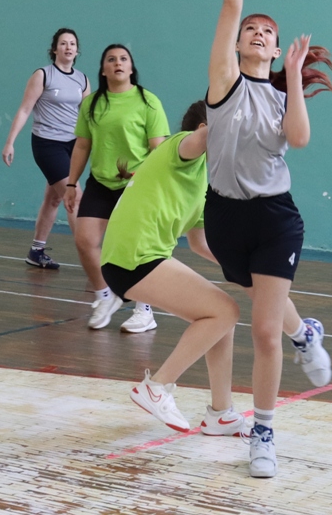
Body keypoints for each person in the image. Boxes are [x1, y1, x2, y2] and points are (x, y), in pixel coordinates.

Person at [204, 0, 332, 478]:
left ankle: (262, 432)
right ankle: (305, 333)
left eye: (267, 32)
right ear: (237, 43)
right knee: (263, 300)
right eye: (250, 29)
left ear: (277, 49)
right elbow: (231, 1)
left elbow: (299, 140)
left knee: (262, 329)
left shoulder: (284, 95)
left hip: (275, 216)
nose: (257, 33)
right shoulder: (224, 82)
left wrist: (294, 78)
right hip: (224, 216)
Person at [100, 101, 243, 434]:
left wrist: (244, 270)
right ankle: (157, 387)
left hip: (142, 257)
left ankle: (220, 413)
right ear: (204, 128)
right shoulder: (179, 147)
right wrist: (235, 103)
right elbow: (204, 136)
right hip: (133, 255)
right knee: (224, 311)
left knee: (223, 316)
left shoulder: (202, 178)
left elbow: (200, 243)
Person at [64, 44, 170, 333]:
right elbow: (82, 145)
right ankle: (105, 296)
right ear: (103, 70)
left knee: (136, 249)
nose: (118, 63)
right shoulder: (92, 104)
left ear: (131, 68)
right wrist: (71, 183)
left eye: (124, 59)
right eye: (111, 60)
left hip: (136, 185)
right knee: (85, 240)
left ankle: (144, 309)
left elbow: (159, 149)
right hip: (100, 182)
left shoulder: (148, 102)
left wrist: (150, 181)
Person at [2, 28, 89, 269]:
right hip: (47, 144)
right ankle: (91, 257)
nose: (68, 47)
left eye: (72, 44)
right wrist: (10, 142)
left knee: (54, 199)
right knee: (74, 197)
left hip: (73, 146)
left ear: (77, 51)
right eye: (63, 43)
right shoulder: (43, 75)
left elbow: (88, 117)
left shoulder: (82, 80)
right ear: (54, 49)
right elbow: (24, 109)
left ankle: (36, 251)